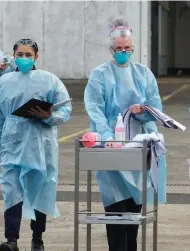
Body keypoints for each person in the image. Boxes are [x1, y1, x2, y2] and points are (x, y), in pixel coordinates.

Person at [84, 18, 166, 251]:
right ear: (111, 49)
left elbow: (155, 107)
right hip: (110, 144)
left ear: (133, 48)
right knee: (115, 205)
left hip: (138, 142)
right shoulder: (100, 75)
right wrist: (108, 137)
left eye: (127, 48)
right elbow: (95, 109)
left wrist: (143, 112)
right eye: (118, 49)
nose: (123, 52)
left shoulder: (143, 73)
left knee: (134, 206)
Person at [0, 38, 72, 251]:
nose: (24, 59)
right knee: (11, 188)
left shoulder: (50, 80)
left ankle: (38, 238)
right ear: (13, 56)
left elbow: (65, 110)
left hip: (40, 141)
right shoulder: (4, 81)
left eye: (29, 55)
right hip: (13, 140)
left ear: (37, 57)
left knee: (41, 187)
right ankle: (11, 239)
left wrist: (48, 116)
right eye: (20, 55)